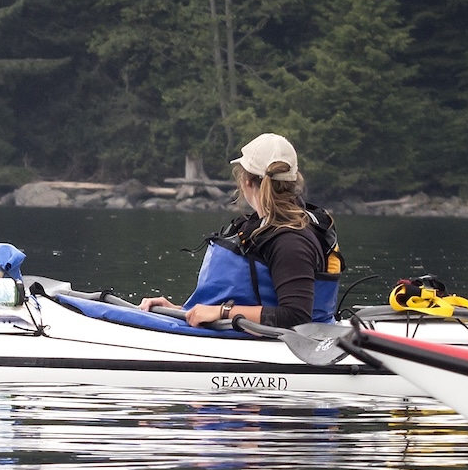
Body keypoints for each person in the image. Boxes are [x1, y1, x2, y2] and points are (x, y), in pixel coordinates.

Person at [138, 133, 342, 329]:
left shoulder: (290, 241)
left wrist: (223, 312)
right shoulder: (262, 228)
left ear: (246, 181)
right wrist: (180, 310)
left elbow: (296, 317)